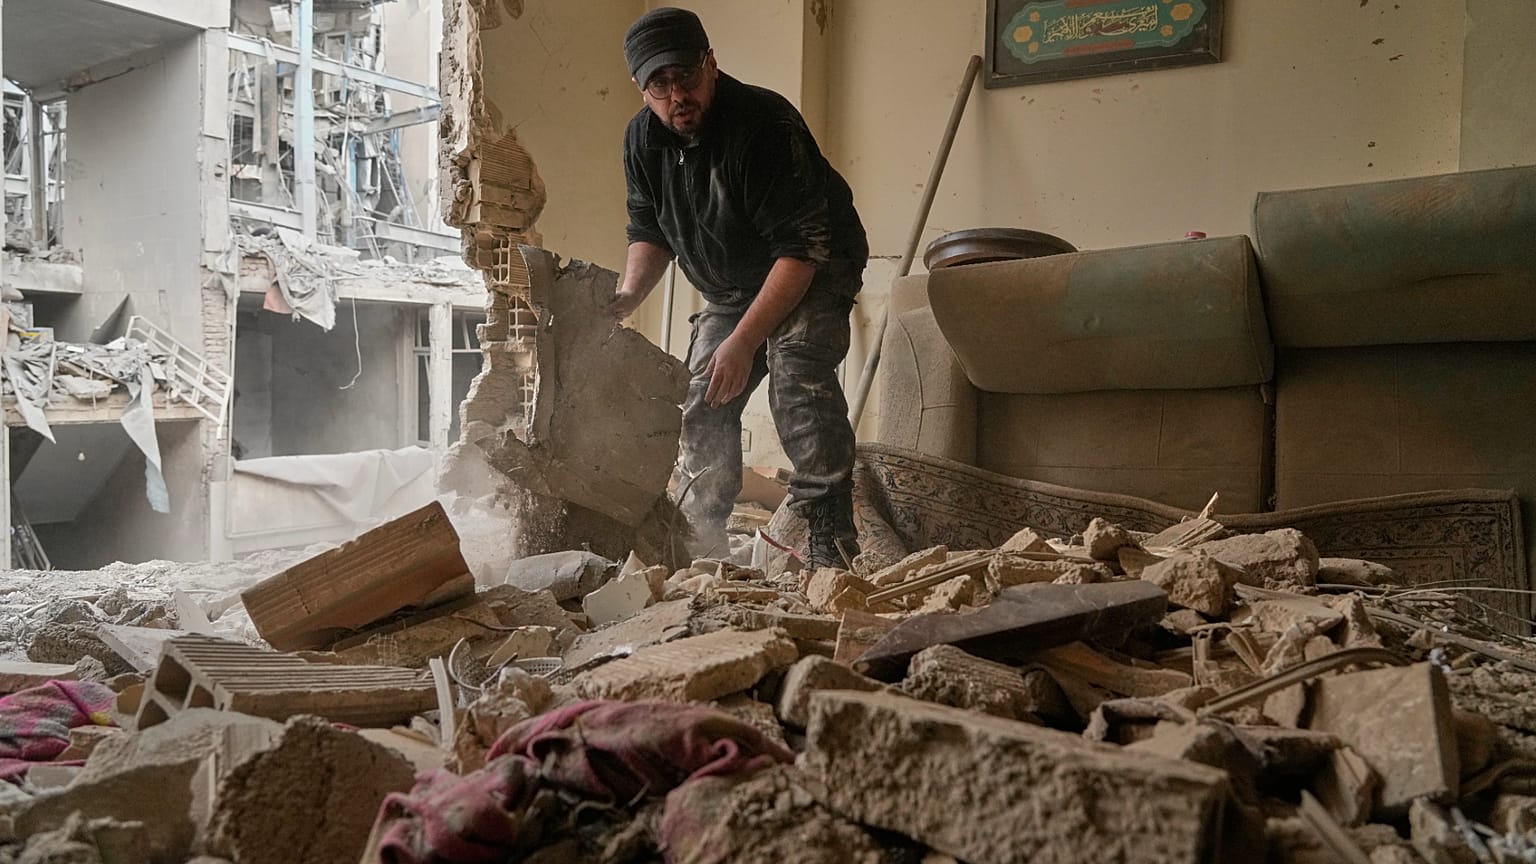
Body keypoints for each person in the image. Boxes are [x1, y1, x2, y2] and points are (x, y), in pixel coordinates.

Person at [609, 7, 869, 569]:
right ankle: (705, 545)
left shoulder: (764, 125)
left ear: (712, 63)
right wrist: (627, 298)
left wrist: (746, 341)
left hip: (814, 265)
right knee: (702, 398)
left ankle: (832, 541)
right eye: (660, 84)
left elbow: (799, 252)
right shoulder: (642, 140)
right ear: (642, 89)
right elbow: (649, 230)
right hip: (731, 284)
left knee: (796, 375)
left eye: (687, 76)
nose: (677, 95)